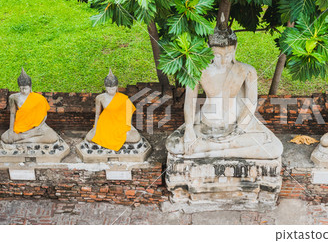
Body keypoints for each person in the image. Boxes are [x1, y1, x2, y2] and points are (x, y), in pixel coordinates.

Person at [166, 24, 282, 159]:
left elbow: (251, 103)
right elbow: (190, 103)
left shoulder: (247, 71)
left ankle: (214, 151)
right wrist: (190, 130)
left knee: (275, 148)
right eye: (217, 55)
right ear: (209, 50)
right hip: (206, 127)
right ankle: (222, 150)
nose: (222, 60)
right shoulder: (198, 71)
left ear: (235, 49)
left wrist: (239, 129)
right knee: (173, 144)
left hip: (237, 127)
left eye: (227, 55)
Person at [85, 69, 141, 151]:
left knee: (136, 137)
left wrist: (129, 127)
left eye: (113, 88)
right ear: (105, 87)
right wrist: (95, 128)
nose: (111, 90)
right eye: (109, 88)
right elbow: (97, 115)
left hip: (120, 123)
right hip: (105, 123)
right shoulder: (100, 98)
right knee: (90, 137)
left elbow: (129, 115)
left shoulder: (123, 99)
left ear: (117, 87)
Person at [1, 68, 58, 144]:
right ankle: (28, 136)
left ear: (30, 87)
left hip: (36, 127)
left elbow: (44, 116)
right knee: (4, 137)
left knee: (53, 137)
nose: (23, 91)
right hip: (20, 126)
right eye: (21, 89)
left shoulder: (39, 99)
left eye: (25, 88)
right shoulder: (13, 97)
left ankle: (26, 139)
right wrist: (11, 132)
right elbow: (12, 114)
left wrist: (38, 127)